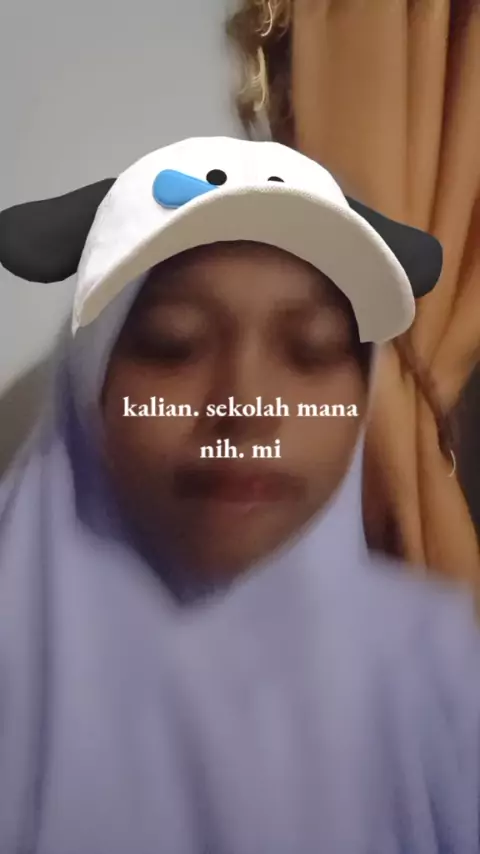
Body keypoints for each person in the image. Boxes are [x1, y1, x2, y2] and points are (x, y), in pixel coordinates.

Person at [0, 136, 479, 854]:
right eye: (174, 344)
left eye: (313, 349)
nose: (247, 406)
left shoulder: (432, 666)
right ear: (87, 388)